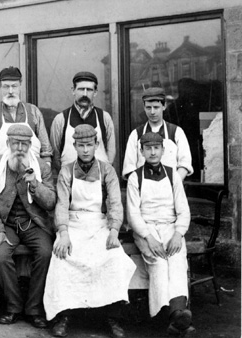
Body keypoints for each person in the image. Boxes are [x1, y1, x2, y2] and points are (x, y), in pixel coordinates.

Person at [44, 124, 135, 338]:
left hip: (99, 224)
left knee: (113, 258)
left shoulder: (107, 171)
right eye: (81, 145)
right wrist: (63, 232)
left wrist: (114, 230)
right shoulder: (66, 171)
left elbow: (114, 203)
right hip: (73, 224)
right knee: (62, 257)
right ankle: (63, 315)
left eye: (89, 145)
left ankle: (113, 317)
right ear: (74, 146)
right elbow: (61, 205)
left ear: (96, 145)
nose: (85, 150)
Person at [0, 124, 56, 328]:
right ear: (8, 144)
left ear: (31, 145)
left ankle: (34, 308)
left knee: (46, 253)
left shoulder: (41, 167)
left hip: (34, 224)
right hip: (6, 224)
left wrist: (35, 184)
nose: (20, 149)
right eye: (16, 143)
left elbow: (50, 202)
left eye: (24, 144)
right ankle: (13, 306)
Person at [126, 132, 194, 336]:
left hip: (170, 228)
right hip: (146, 230)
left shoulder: (173, 175)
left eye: (156, 148)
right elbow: (133, 214)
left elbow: (183, 210)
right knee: (159, 262)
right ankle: (170, 315)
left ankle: (178, 315)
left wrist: (178, 234)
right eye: (148, 148)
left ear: (163, 150)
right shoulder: (135, 177)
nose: (153, 152)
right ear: (142, 151)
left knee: (176, 261)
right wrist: (149, 237)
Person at [0, 66, 53, 176]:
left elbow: (46, 151)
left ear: (20, 86)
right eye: (6, 87)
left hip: (32, 175)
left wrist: (41, 178)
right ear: (0, 86)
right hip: (1, 177)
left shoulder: (33, 111)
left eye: (14, 86)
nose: (11, 91)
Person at [122, 87, 193, 180]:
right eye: (148, 107)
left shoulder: (176, 132)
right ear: (144, 107)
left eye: (156, 107)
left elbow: (184, 164)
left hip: (171, 190)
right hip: (143, 190)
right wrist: (140, 186)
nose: (152, 112)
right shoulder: (136, 134)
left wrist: (172, 185)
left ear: (164, 106)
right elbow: (129, 167)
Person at [49, 71, 116, 170]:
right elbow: (56, 154)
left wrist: (104, 175)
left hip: (99, 180)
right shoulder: (61, 119)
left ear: (95, 92)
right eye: (81, 89)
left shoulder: (104, 118)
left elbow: (111, 151)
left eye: (89, 90)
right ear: (73, 91)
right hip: (69, 181)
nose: (85, 94)